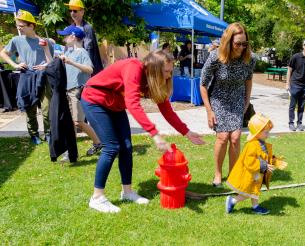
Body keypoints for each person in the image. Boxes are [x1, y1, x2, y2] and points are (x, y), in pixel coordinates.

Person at [80, 50, 205, 213]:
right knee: (111, 147)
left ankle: (127, 192)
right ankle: (97, 198)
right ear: (154, 68)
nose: (169, 75)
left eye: (170, 71)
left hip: (115, 105)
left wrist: (186, 132)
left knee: (127, 147)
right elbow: (133, 104)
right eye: (166, 71)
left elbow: (166, 110)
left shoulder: (153, 80)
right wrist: (154, 133)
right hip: (94, 100)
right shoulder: (134, 68)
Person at [200, 22, 256, 187]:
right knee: (223, 137)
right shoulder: (216, 57)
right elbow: (203, 84)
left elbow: (248, 80)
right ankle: (218, 174)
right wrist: (209, 111)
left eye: (244, 44)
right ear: (228, 41)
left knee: (236, 137)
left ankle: (233, 174)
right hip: (218, 100)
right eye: (238, 43)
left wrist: (246, 102)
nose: (241, 47)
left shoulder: (249, 59)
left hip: (237, 100)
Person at [0, 10, 54, 145]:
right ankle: (34, 134)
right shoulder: (16, 40)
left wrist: (45, 66)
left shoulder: (45, 41)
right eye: (18, 25)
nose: (19, 28)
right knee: (30, 108)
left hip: (43, 77)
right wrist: (15, 64)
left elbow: (51, 61)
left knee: (47, 109)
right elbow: (3, 53)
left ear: (32, 26)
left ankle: (48, 134)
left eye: (21, 25)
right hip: (26, 77)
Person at [56, 26, 102, 160]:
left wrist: (72, 62)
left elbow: (90, 69)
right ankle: (72, 149)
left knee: (78, 122)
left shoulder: (81, 52)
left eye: (65, 35)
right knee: (72, 122)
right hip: (68, 90)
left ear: (73, 36)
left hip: (78, 90)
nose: (63, 38)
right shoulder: (69, 52)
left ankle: (97, 143)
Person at [225, 113, 275, 215]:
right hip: (250, 174)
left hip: (256, 174)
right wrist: (263, 166)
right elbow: (249, 161)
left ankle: (255, 206)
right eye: (266, 132)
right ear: (257, 133)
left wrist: (274, 160)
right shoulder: (252, 145)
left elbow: (264, 156)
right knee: (249, 192)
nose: (268, 134)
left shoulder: (260, 142)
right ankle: (232, 200)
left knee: (255, 190)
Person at [65, 0, 103, 76]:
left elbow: (89, 51)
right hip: (74, 69)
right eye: (70, 10)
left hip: (86, 71)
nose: (72, 13)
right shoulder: (69, 28)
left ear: (82, 12)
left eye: (75, 11)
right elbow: (68, 49)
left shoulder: (87, 28)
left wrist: (86, 69)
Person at [286, 39, 305, 131]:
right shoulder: (295, 57)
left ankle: (299, 123)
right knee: (292, 105)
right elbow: (289, 70)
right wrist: (287, 84)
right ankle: (291, 123)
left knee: (301, 106)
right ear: (303, 46)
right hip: (295, 84)